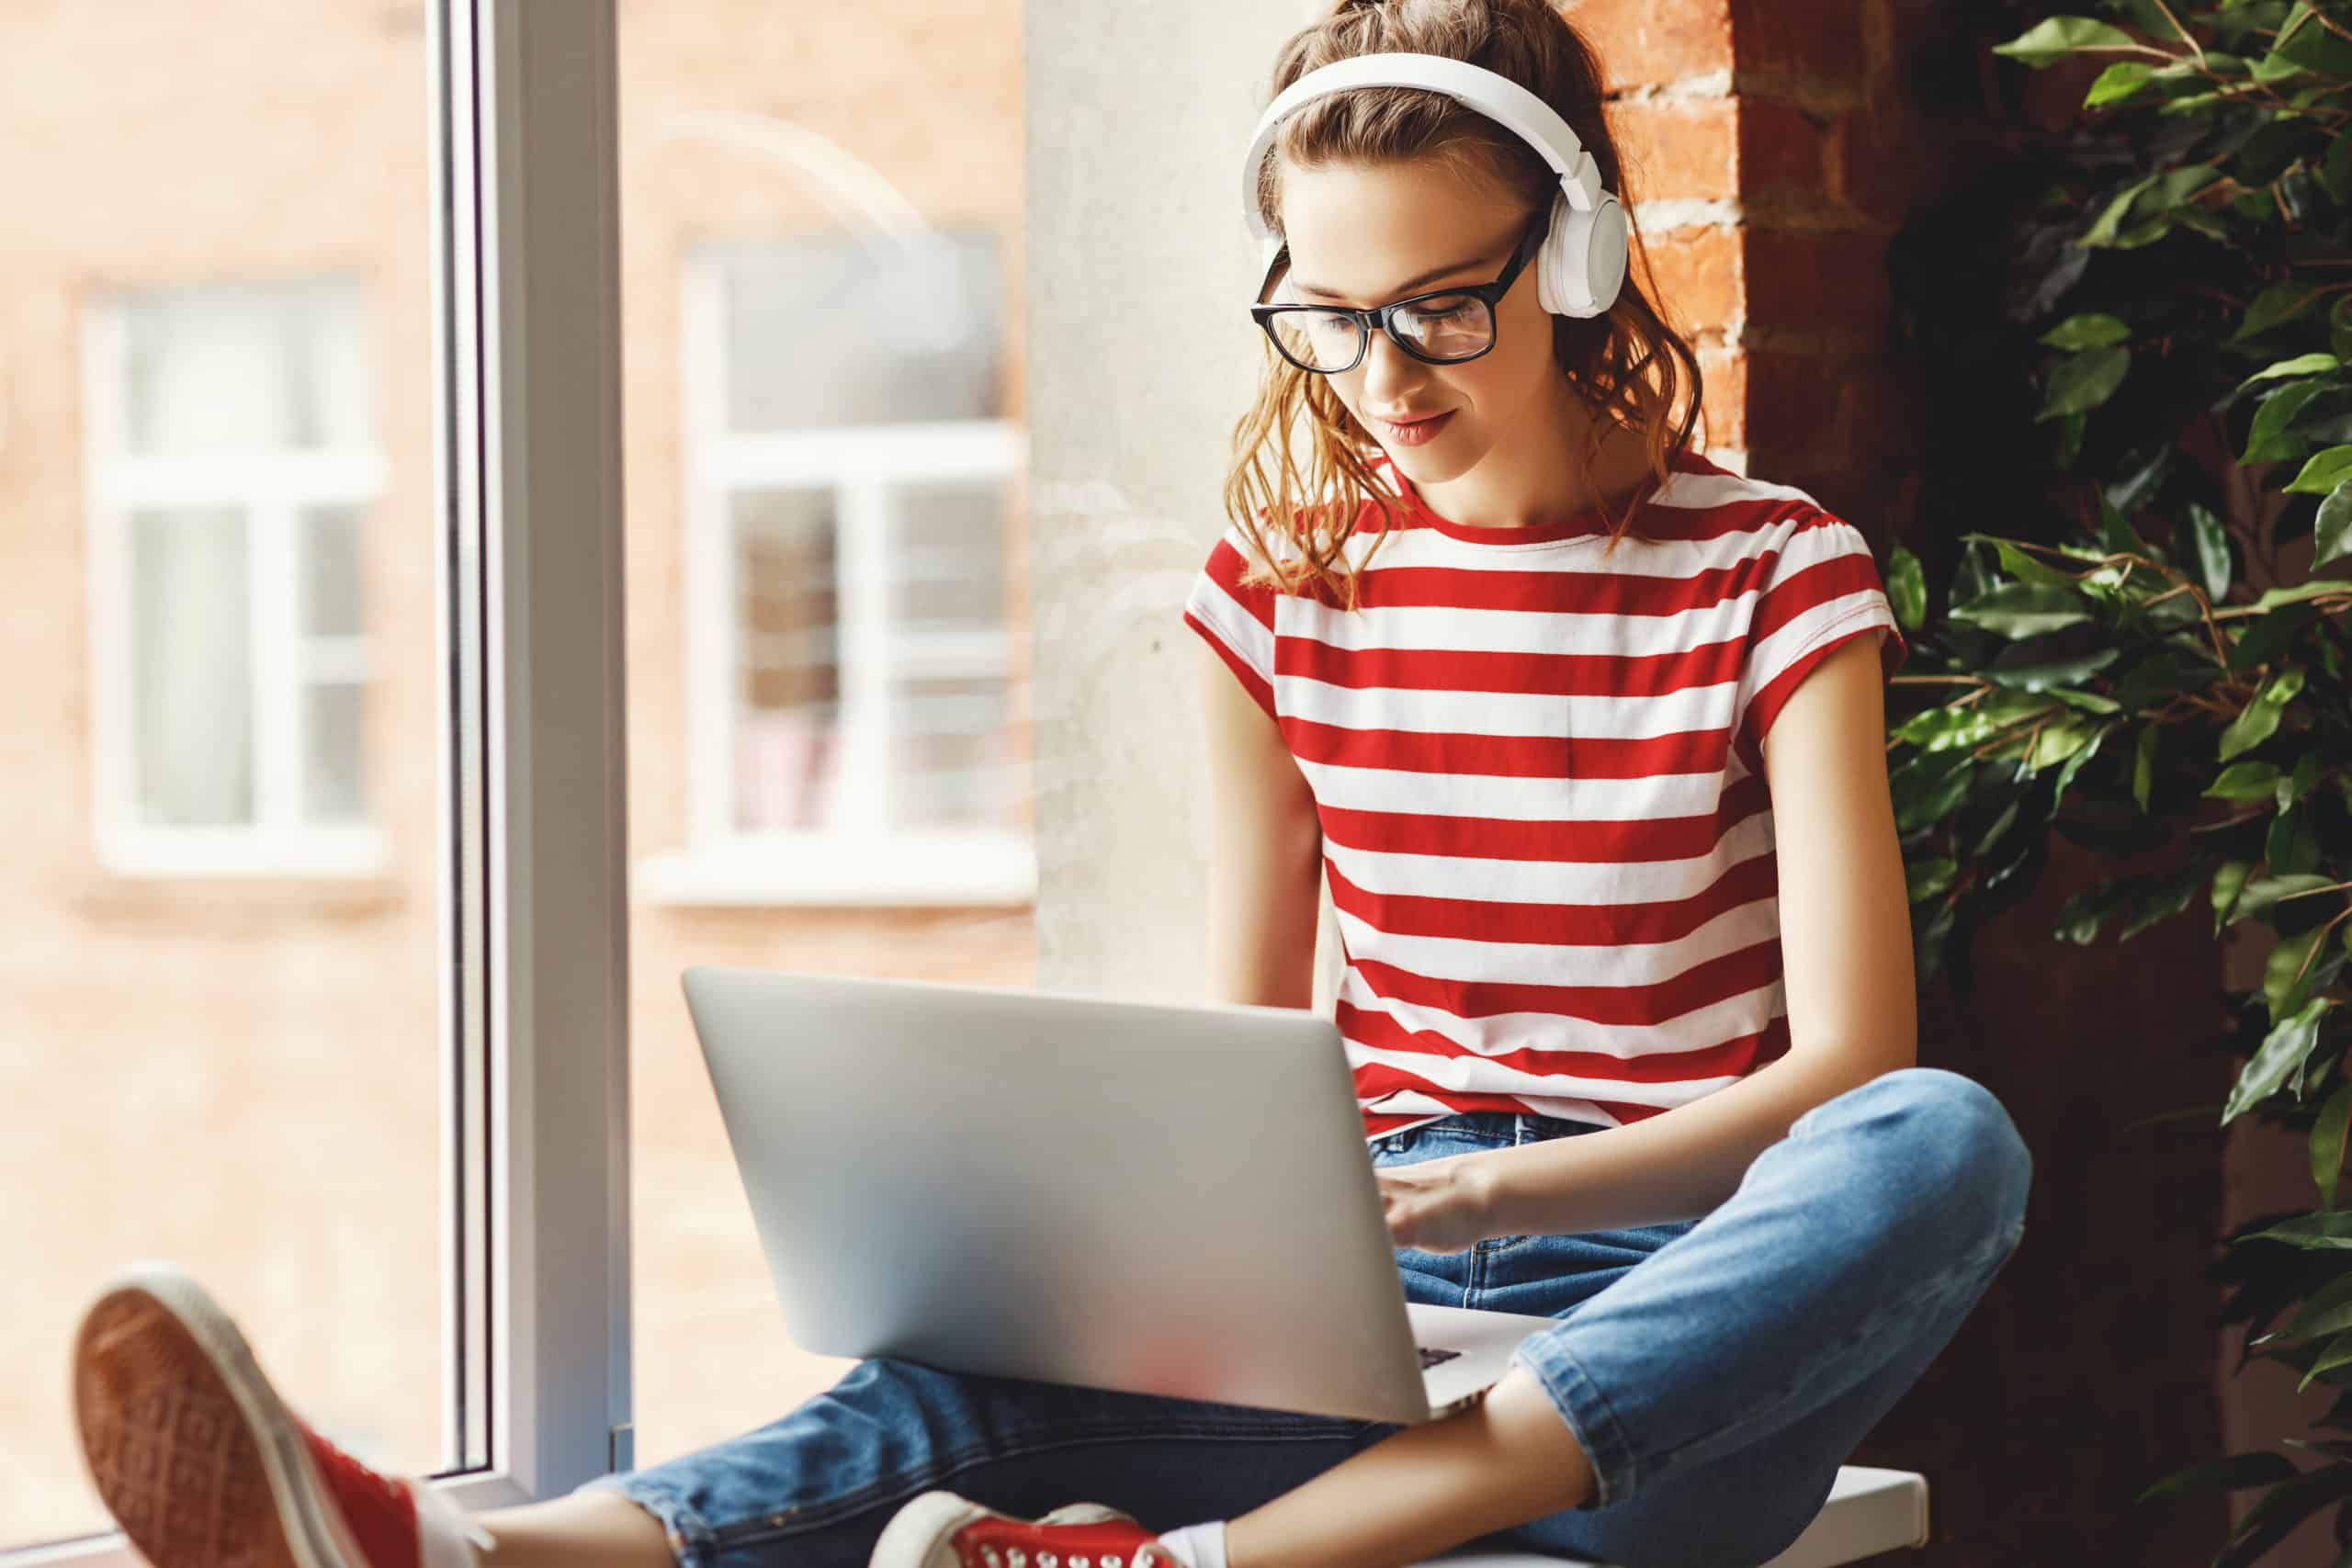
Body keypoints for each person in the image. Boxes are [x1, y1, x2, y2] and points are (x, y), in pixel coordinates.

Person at [67, 5, 2032, 1568]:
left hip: (1674, 1351)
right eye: (1330, 314)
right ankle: (459, 1551)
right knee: (948, 1376)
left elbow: (1845, 1071)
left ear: (1582, 249)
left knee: (1943, 1138)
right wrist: (1205, 1240)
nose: (1383, 370)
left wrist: (1485, 1187)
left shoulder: (1769, 570)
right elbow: (1246, 1060)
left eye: (1445, 302)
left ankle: (1248, 1555)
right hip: (1364, 1316)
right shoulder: (1275, 591)